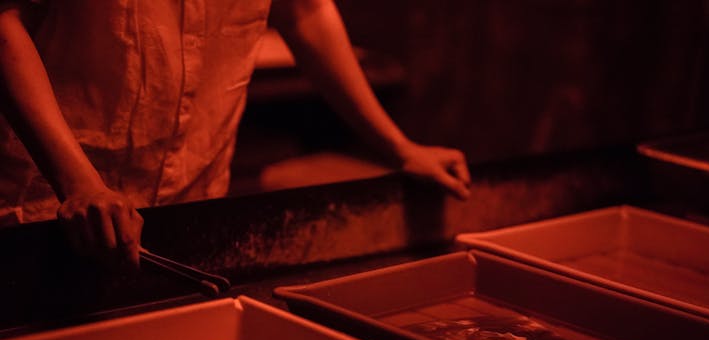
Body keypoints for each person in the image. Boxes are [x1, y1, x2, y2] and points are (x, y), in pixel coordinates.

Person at [0, 0, 470, 267]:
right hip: (49, 207)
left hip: (194, 204)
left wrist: (398, 146)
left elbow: (304, 11)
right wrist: (78, 182)